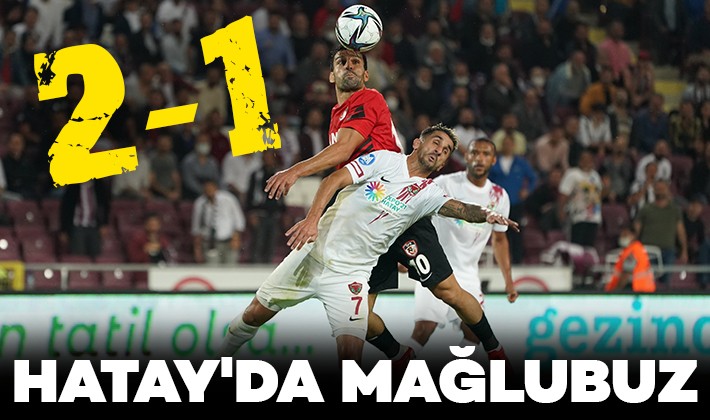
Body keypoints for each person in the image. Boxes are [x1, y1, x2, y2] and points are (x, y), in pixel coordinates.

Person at [264, 47, 515, 373]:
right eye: (342, 62)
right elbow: (339, 172)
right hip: (368, 219)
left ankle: (494, 348)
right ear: (331, 74)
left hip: (405, 212)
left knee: (448, 291)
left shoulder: (369, 100)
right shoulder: (338, 115)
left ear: (366, 74)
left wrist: (295, 171)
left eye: (356, 62)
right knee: (359, 313)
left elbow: (343, 152)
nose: (349, 66)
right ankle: (398, 354)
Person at [217, 124, 518, 372]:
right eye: (436, 142)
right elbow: (334, 179)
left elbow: (460, 209)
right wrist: (311, 220)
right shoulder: (385, 160)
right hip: (311, 256)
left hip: (349, 276)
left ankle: (467, 348)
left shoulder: (430, 193)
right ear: (417, 143)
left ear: (442, 164)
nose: (440, 150)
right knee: (252, 315)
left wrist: (487, 214)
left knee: (350, 360)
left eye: (446, 150)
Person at [406, 137, 519, 359]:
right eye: (475, 153)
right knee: (423, 330)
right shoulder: (445, 184)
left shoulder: (499, 196)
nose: (479, 158)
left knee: (474, 333)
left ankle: (455, 371)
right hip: (435, 266)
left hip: (468, 273)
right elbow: (415, 216)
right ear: (466, 156)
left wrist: (508, 281)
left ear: (493, 160)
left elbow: (499, 240)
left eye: (486, 154)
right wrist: (407, 254)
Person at [191, 178, 246, 265]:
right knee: (212, 269)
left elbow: (239, 220)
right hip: (210, 242)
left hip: (229, 241)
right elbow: (196, 227)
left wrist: (236, 238)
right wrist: (197, 249)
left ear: (216, 188)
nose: (209, 190)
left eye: (210, 188)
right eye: (206, 188)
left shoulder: (228, 199)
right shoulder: (200, 203)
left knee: (231, 268)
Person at [604, 225, 656, 293]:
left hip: (637, 290)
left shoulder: (632, 252)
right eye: (621, 235)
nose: (622, 237)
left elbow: (625, 275)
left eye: (625, 234)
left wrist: (616, 291)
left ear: (633, 236)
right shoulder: (637, 249)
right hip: (643, 290)